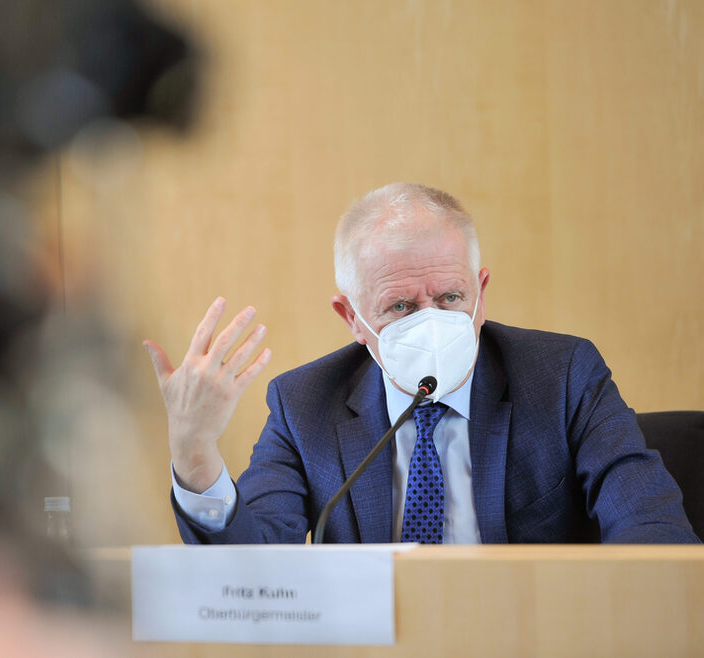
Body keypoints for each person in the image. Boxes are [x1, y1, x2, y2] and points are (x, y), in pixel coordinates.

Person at [143, 182, 699, 544]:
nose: (431, 321)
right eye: (401, 307)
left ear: (481, 294)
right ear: (352, 318)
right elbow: (253, 569)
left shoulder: (562, 375)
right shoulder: (304, 404)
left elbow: (653, 533)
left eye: (451, 299)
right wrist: (195, 454)